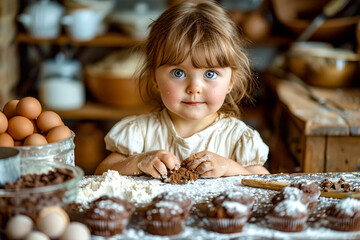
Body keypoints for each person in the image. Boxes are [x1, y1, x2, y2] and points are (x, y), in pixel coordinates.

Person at [95, 0, 270, 178]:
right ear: (154, 77)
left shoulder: (238, 139)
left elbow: (264, 182)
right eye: (178, 73)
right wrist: (139, 161)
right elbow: (101, 173)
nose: (194, 88)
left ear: (231, 80)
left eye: (210, 74)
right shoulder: (139, 133)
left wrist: (230, 168)